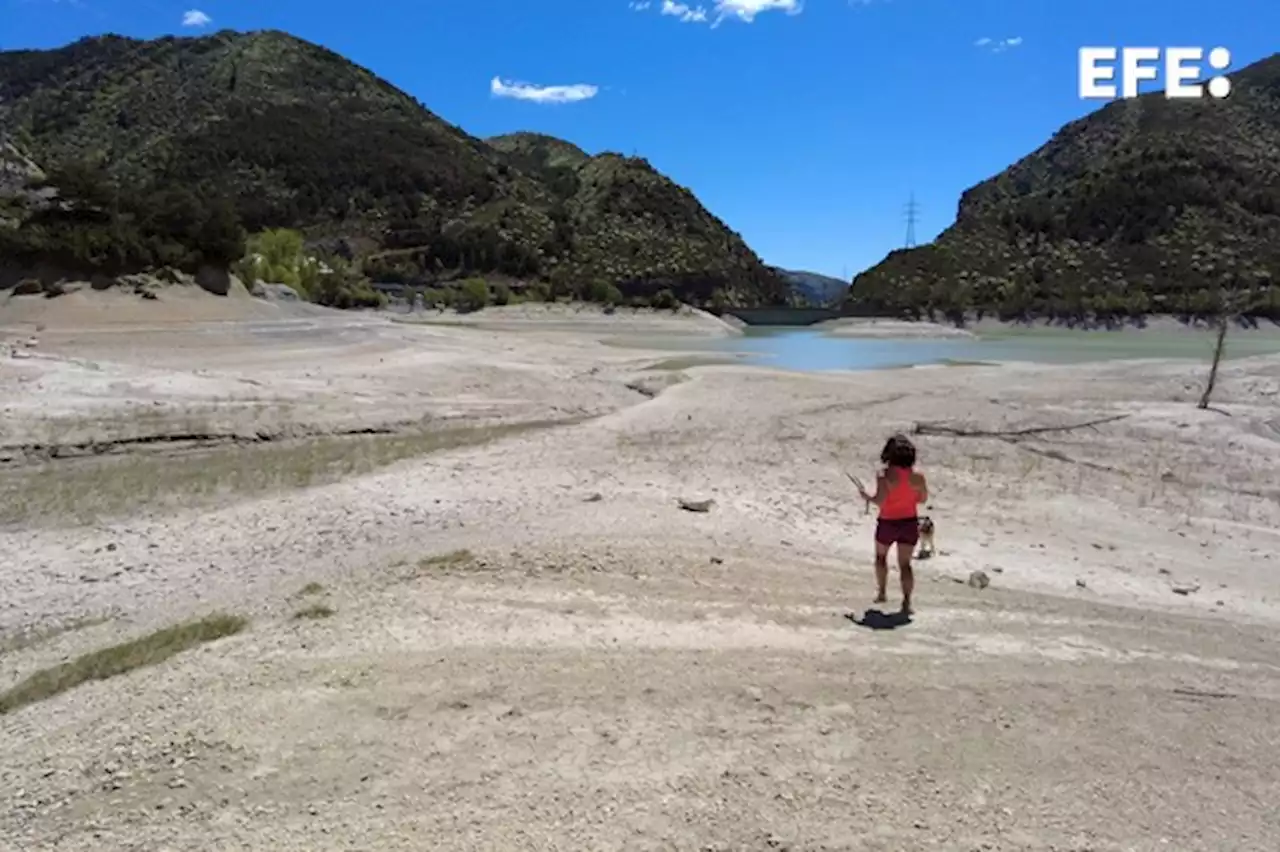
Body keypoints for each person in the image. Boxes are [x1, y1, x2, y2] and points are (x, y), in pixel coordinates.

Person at [856, 434, 928, 615]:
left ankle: (882, 592)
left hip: (888, 521)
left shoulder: (884, 475)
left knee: (881, 558)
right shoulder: (918, 477)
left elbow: (880, 500)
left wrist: (866, 497)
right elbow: (922, 499)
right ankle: (907, 602)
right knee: (905, 564)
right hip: (909, 522)